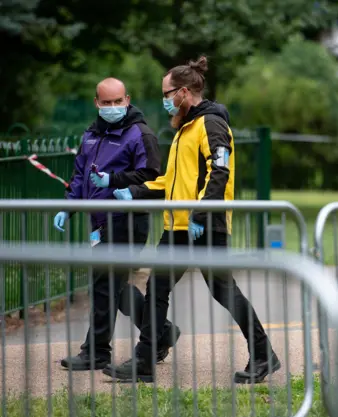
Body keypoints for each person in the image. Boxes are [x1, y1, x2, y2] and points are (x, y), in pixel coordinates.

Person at [104, 56, 280, 384]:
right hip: (180, 226)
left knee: (223, 291)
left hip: (202, 226)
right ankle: (146, 358)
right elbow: (169, 181)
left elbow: (220, 170)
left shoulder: (211, 123)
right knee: (159, 286)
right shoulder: (187, 127)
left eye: (167, 94)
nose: (165, 101)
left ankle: (262, 353)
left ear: (184, 92)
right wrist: (129, 190)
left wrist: (201, 213)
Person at [54, 77, 181, 370]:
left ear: (127, 99)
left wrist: (114, 181)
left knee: (104, 283)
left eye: (117, 101)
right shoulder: (90, 135)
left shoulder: (140, 134)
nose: (112, 107)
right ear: (97, 103)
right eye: (106, 103)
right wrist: (68, 207)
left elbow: (151, 178)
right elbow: (80, 177)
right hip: (99, 223)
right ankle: (160, 332)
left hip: (127, 221)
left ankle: (96, 352)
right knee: (112, 284)